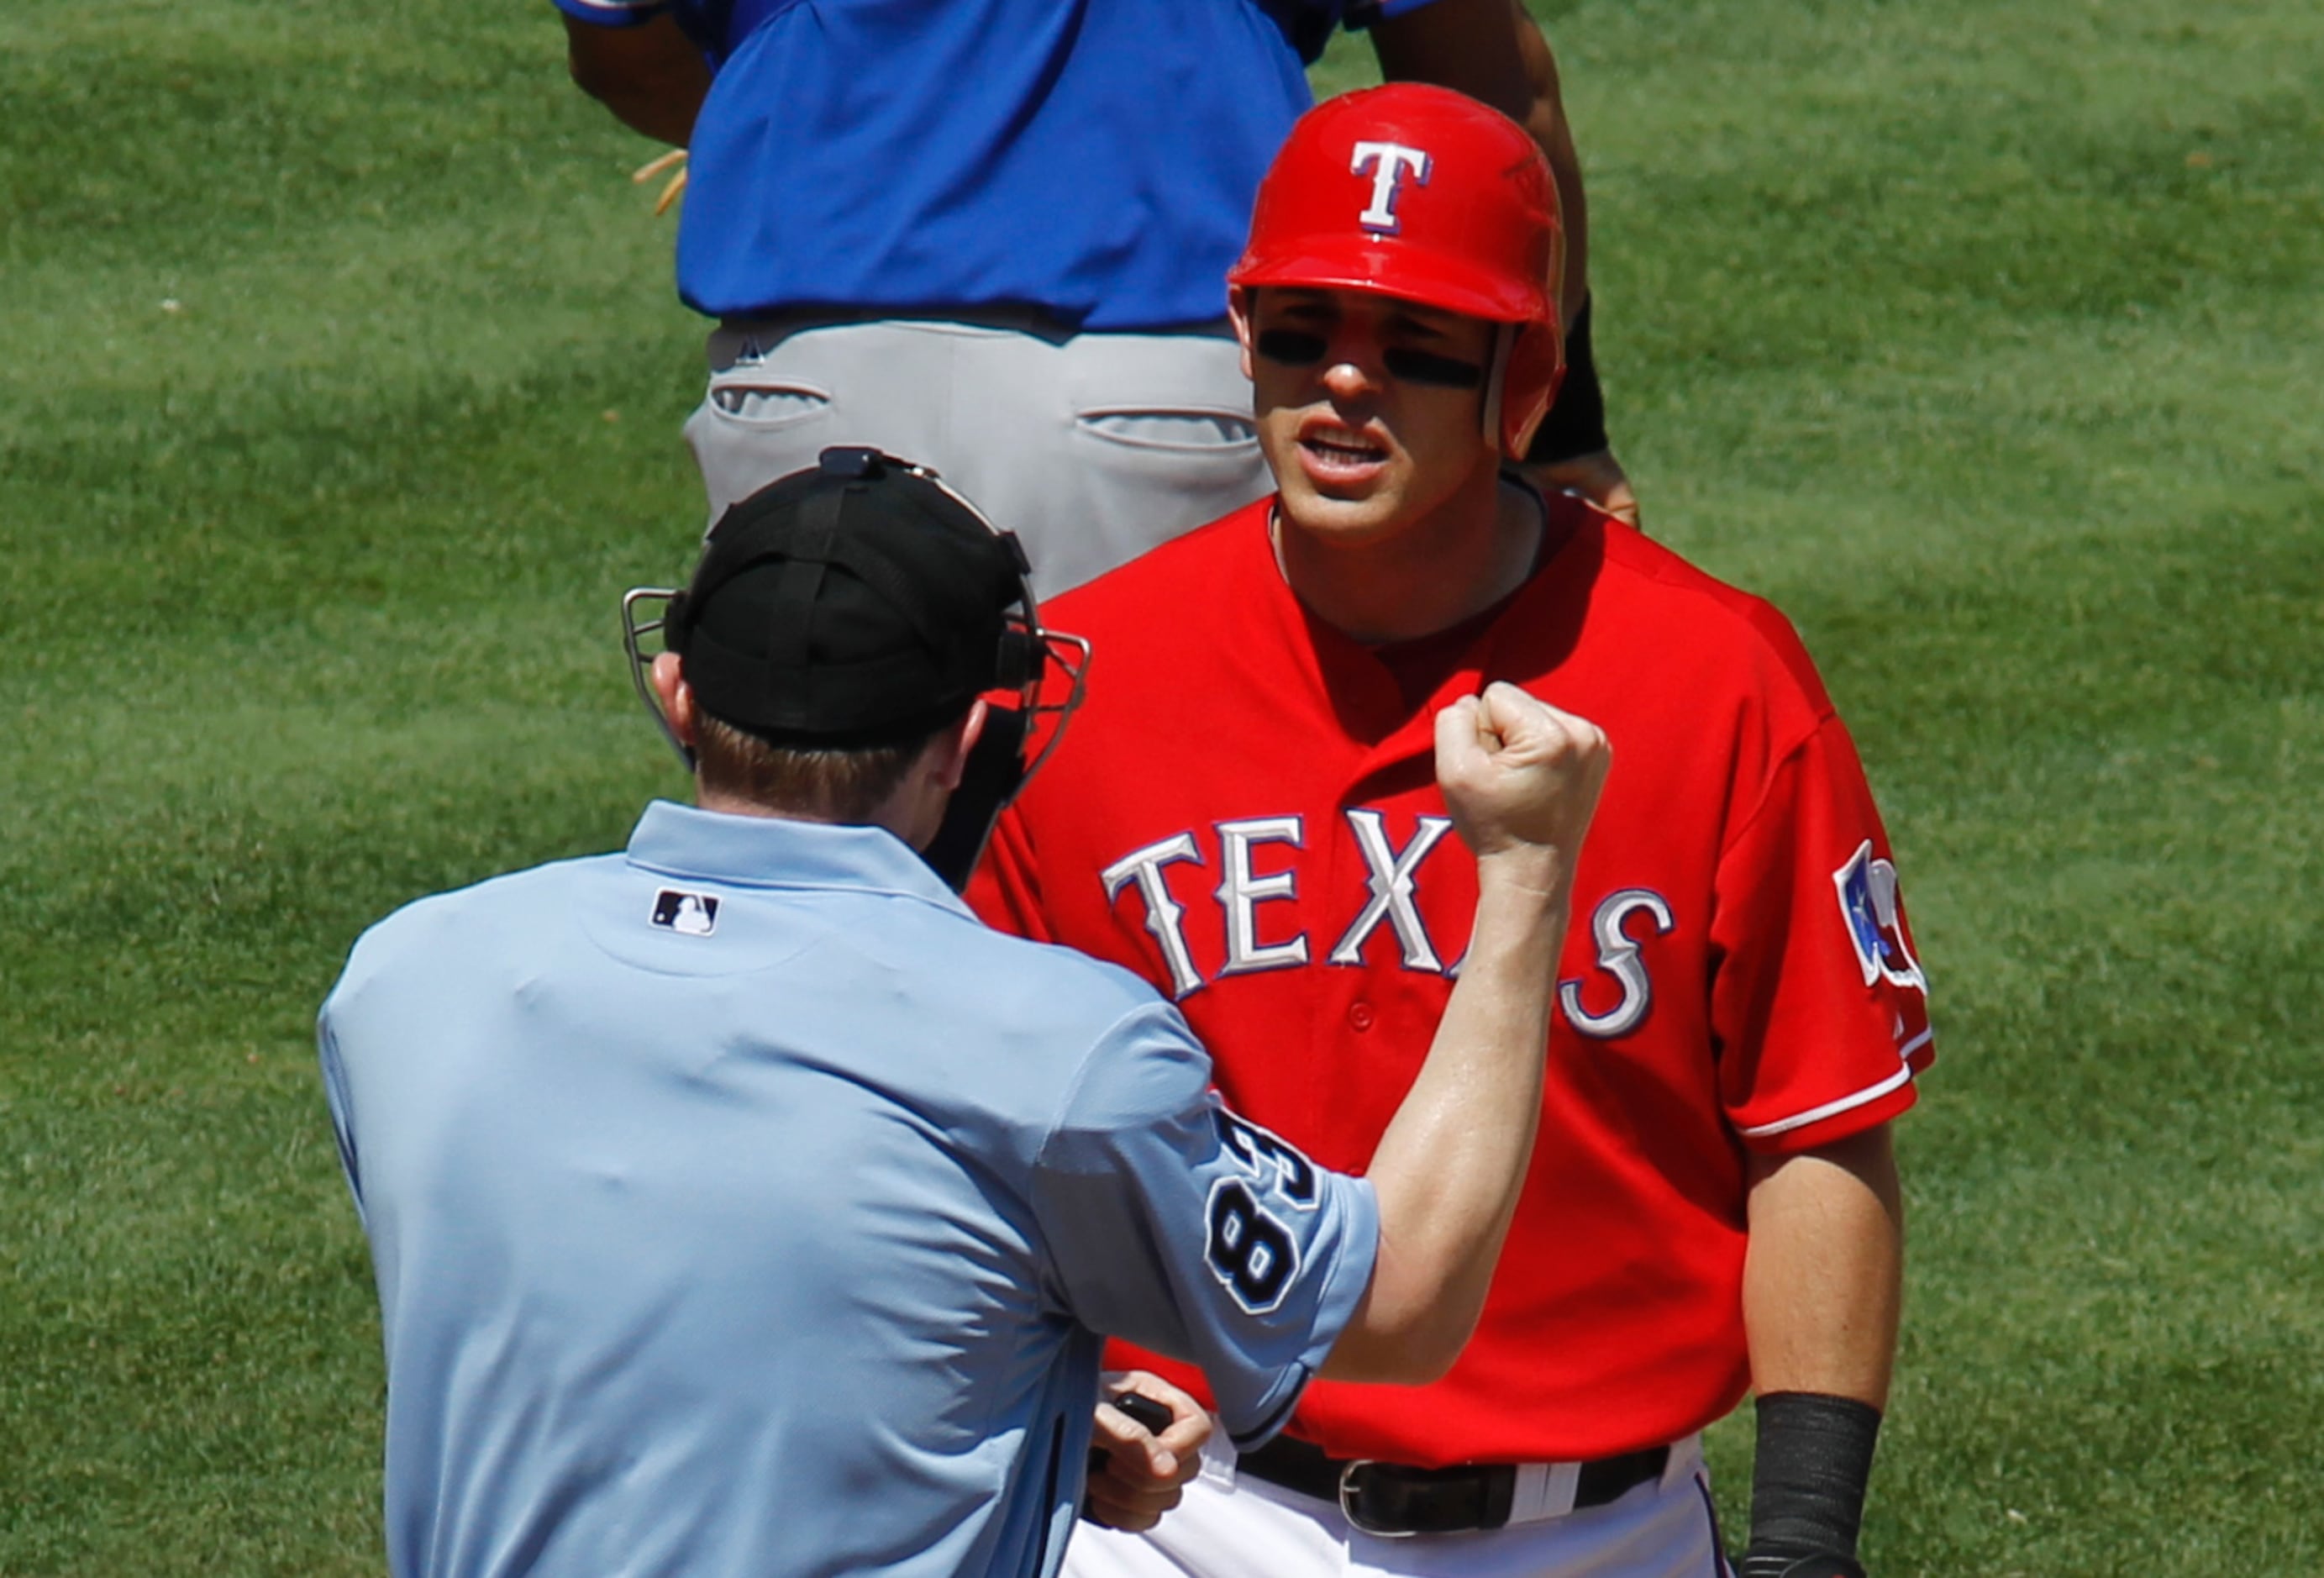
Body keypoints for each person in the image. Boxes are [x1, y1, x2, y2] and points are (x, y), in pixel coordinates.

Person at [316, 445, 1613, 1577]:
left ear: (679, 696)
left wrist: (1018, 1394)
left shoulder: (405, 980)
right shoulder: (1059, 1053)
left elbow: (625, 1290)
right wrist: (1524, 870)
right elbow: (1399, 1299)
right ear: (971, 740)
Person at [969, 84, 1934, 1578]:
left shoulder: (1715, 681)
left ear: (1522, 385)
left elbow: (1815, 1130)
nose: (1346, 384)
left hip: (1597, 1531)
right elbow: (974, 1125)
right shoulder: (1086, 681)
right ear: (1242, 339)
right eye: (1303, 332)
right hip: (1185, 1517)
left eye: (1416, 348)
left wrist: (1805, 1542)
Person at [553, 0, 1634, 597]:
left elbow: (618, 46)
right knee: (1132, 896)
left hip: (804, 394)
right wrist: (1553, 422)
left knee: (826, 898)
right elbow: (1496, 99)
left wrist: (812, 137)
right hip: (1159, 406)